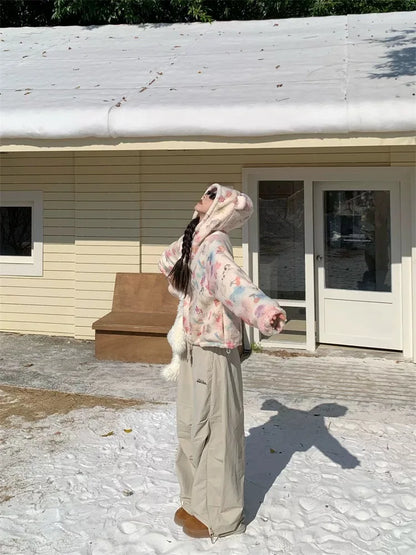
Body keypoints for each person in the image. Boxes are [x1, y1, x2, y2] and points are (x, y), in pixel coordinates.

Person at [159, 184, 286, 541]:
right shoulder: (201, 240)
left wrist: (264, 312)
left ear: (223, 208)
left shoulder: (216, 245)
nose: (205, 194)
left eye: (214, 194)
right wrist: (193, 231)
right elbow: (166, 262)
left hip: (216, 348)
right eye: (206, 191)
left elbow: (235, 284)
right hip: (193, 344)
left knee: (218, 431)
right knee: (191, 424)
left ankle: (220, 514)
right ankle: (194, 500)